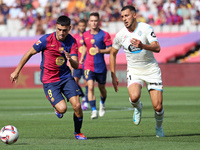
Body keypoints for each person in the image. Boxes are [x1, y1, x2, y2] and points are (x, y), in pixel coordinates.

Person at [10, 15, 87, 140]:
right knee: (62, 109)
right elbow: (29, 53)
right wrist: (17, 71)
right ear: (56, 27)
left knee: (77, 106)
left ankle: (78, 132)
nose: (61, 33)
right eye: (59, 29)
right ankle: (56, 107)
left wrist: (69, 59)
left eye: (65, 30)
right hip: (50, 81)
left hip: (66, 77)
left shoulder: (72, 41)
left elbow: (76, 65)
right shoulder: (46, 39)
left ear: (69, 28)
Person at [109, 5, 165, 137]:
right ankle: (138, 107)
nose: (124, 19)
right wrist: (113, 74)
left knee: (158, 107)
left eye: (127, 15)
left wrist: (142, 45)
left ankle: (159, 128)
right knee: (134, 97)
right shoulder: (121, 35)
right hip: (134, 70)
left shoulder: (146, 28)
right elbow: (112, 53)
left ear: (134, 15)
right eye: (122, 16)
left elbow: (157, 48)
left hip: (151, 69)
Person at [80, 12, 112, 119]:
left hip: (100, 66)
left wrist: (101, 50)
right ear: (89, 22)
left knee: (102, 88)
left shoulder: (104, 34)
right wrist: (81, 58)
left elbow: (110, 49)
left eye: (95, 21)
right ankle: (93, 110)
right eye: (92, 21)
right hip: (88, 65)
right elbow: (85, 46)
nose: (93, 23)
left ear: (98, 22)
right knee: (90, 87)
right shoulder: (85, 35)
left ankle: (102, 103)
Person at [73, 19, 89, 111]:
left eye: (83, 25)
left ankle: (86, 102)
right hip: (77, 63)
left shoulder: (88, 36)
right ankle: (83, 96)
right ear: (78, 26)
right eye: (80, 25)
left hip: (87, 63)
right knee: (74, 82)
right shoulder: (75, 37)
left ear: (85, 26)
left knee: (87, 83)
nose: (82, 27)